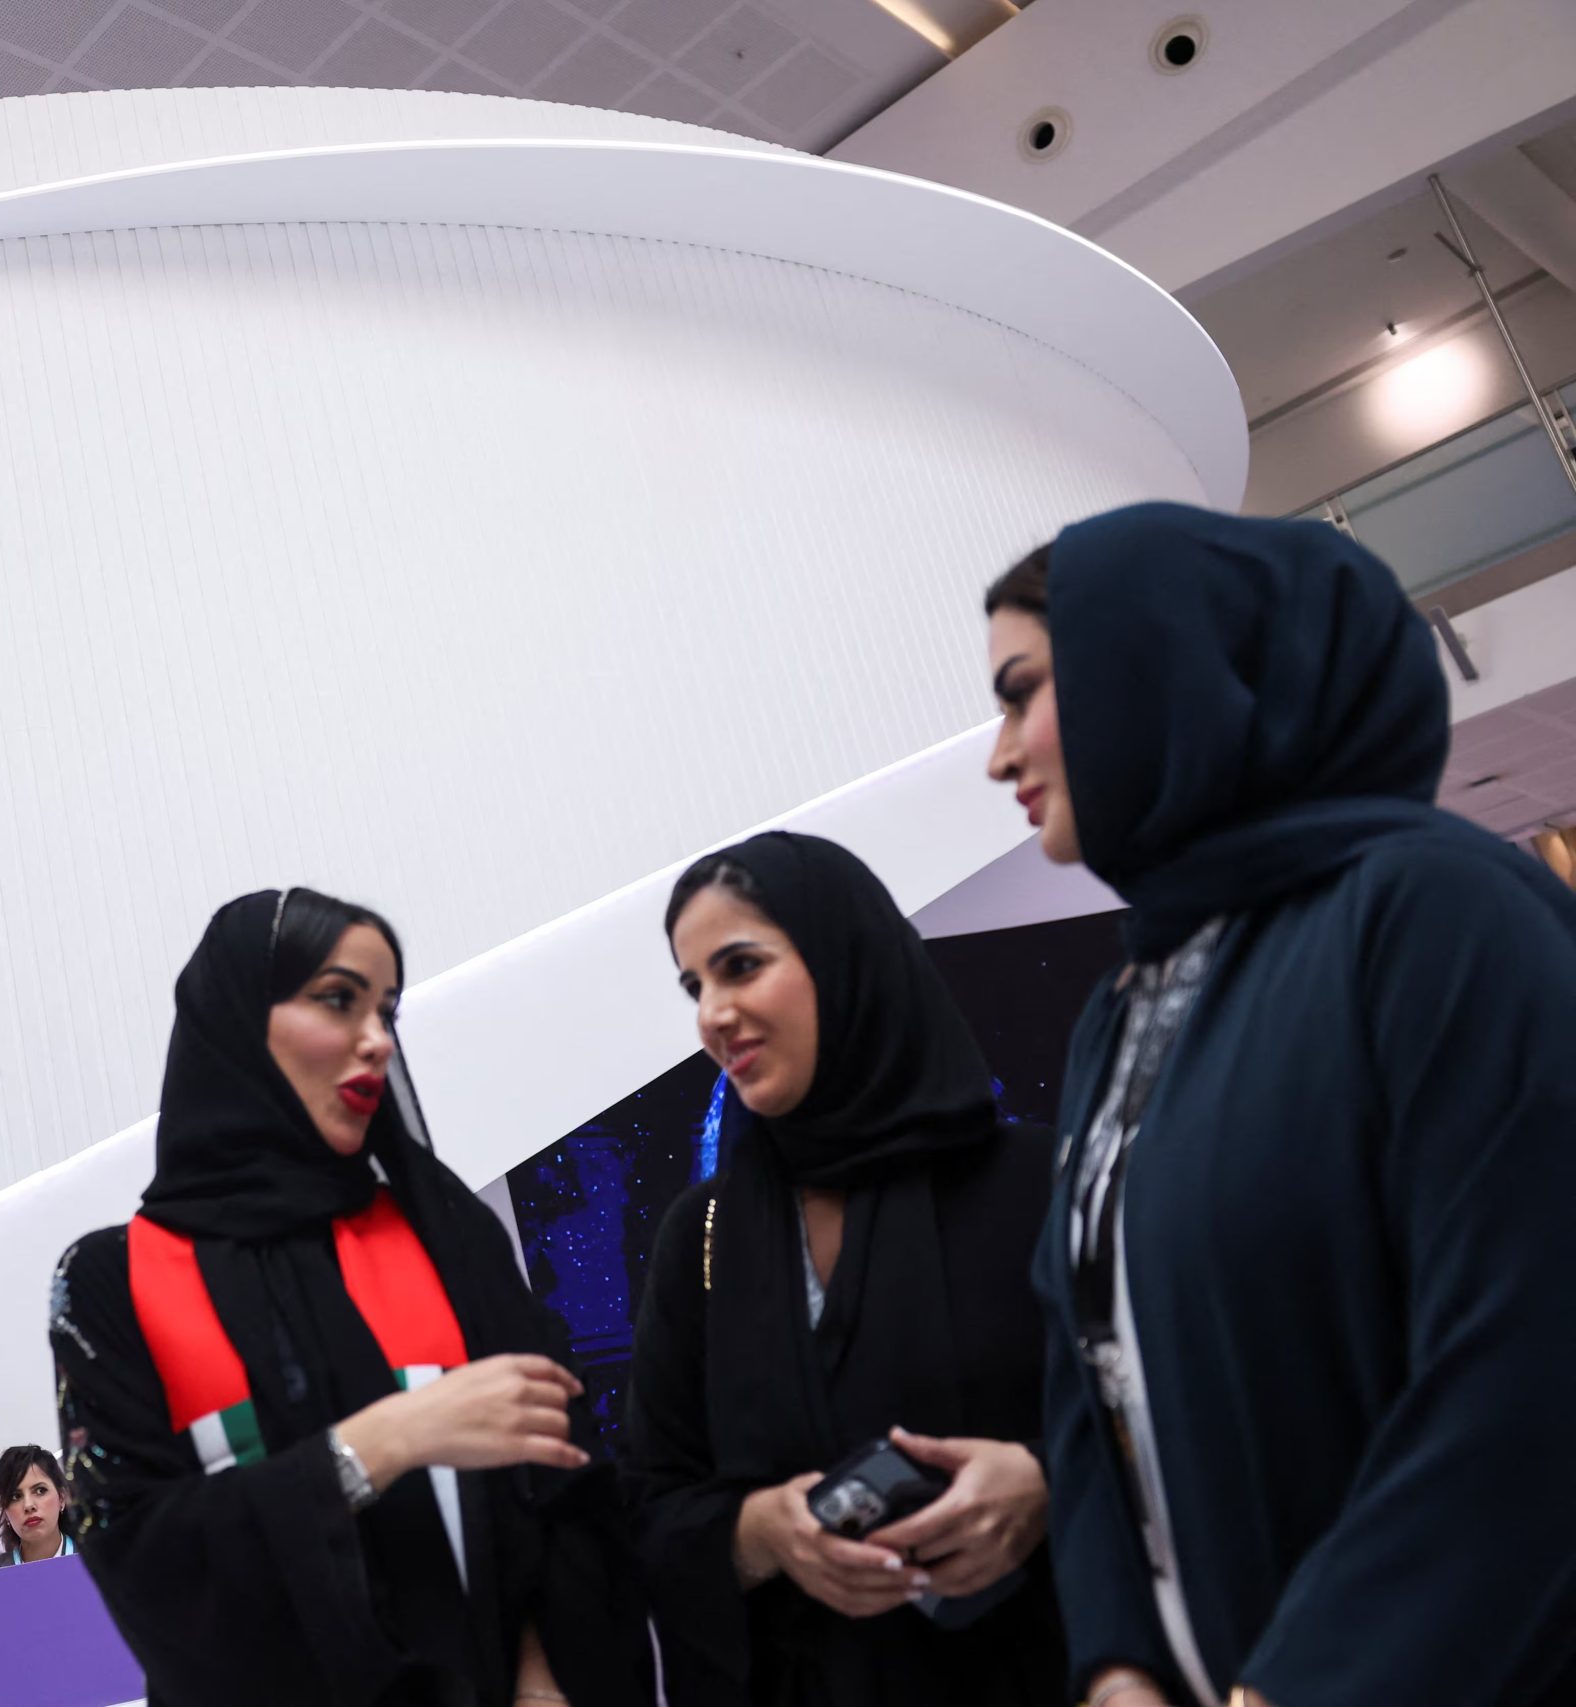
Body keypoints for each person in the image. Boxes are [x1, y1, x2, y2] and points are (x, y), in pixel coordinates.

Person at [983, 502, 1576, 1707]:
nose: (999, 753)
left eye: (1019, 689)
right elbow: (1090, 1371)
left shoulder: (1434, 913)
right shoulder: (1125, 1007)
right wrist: (1117, 1667)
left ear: (1159, 664)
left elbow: (1530, 1364)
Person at [50, 888, 655, 1707]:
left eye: (388, 1009)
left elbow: (571, 1485)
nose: (377, 1039)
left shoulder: (448, 1236)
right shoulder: (111, 1282)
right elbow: (143, 1560)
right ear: (236, 1022)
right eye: (339, 999)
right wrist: (382, 1442)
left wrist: (548, 1683)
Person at [624, 831, 1067, 1706]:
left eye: (740, 966)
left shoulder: (1040, 1181)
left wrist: (1047, 1484)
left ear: (845, 959)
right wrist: (763, 1532)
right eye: (694, 986)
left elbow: (1174, 1423)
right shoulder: (704, 1235)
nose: (712, 1012)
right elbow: (648, 1509)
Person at [0, 1444, 78, 1570]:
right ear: (4, 1509)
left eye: (40, 1491)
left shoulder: (99, 1562)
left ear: (62, 1497)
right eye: (15, 1497)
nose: (28, 1505)